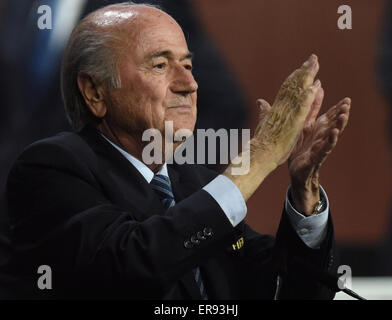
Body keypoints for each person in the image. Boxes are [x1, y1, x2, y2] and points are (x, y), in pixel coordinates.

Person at [1, 2, 351, 299]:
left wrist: (306, 193)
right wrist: (258, 157)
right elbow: (135, 266)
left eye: (188, 65)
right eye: (160, 65)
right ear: (94, 91)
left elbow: (289, 290)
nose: (189, 84)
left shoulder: (193, 184)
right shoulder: (49, 171)